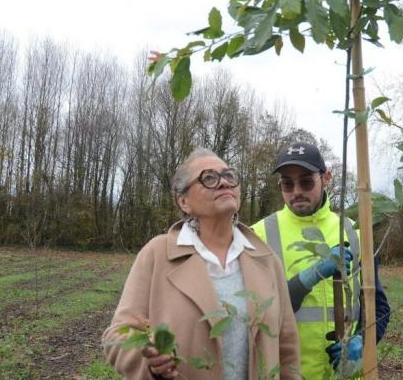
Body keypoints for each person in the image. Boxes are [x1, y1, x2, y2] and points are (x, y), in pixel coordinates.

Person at [102, 148, 300, 380]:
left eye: (229, 176)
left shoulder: (266, 260)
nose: (224, 183)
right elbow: (116, 336)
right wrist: (149, 360)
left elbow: (287, 351)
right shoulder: (157, 255)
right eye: (209, 178)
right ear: (183, 201)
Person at [252, 142, 390, 379]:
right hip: (288, 373)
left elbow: (378, 306)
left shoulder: (354, 233)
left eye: (306, 181)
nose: (296, 191)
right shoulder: (259, 235)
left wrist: (363, 341)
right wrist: (310, 276)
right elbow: (256, 312)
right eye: (287, 183)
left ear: (326, 178)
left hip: (344, 374)